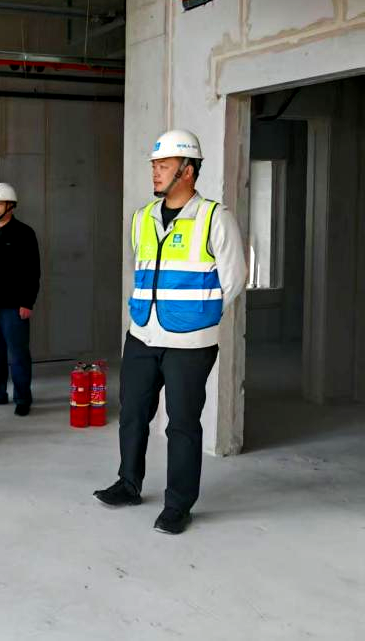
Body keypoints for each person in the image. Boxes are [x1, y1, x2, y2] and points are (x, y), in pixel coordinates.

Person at [94, 130, 246, 535]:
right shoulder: (142, 218)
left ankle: (178, 505)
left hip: (189, 342)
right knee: (132, 413)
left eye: (164, 166)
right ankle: (129, 484)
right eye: (154, 166)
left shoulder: (214, 217)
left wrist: (200, 314)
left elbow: (234, 278)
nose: (156, 173)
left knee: (181, 424)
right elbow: (140, 269)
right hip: (143, 333)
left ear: (188, 170)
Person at [0, 182, 41, 416]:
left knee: (18, 353)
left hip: (14, 307)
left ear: (11, 206)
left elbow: (32, 271)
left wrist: (27, 302)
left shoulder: (24, 233)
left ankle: (22, 397)